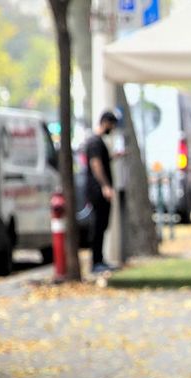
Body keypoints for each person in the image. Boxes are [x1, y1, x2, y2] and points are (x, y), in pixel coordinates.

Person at [83, 111, 118, 274]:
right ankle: (96, 261)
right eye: (112, 124)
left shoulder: (96, 142)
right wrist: (105, 186)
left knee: (102, 225)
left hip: (98, 190)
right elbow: (96, 164)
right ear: (105, 122)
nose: (112, 128)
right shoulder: (95, 142)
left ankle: (99, 259)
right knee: (98, 225)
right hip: (97, 191)